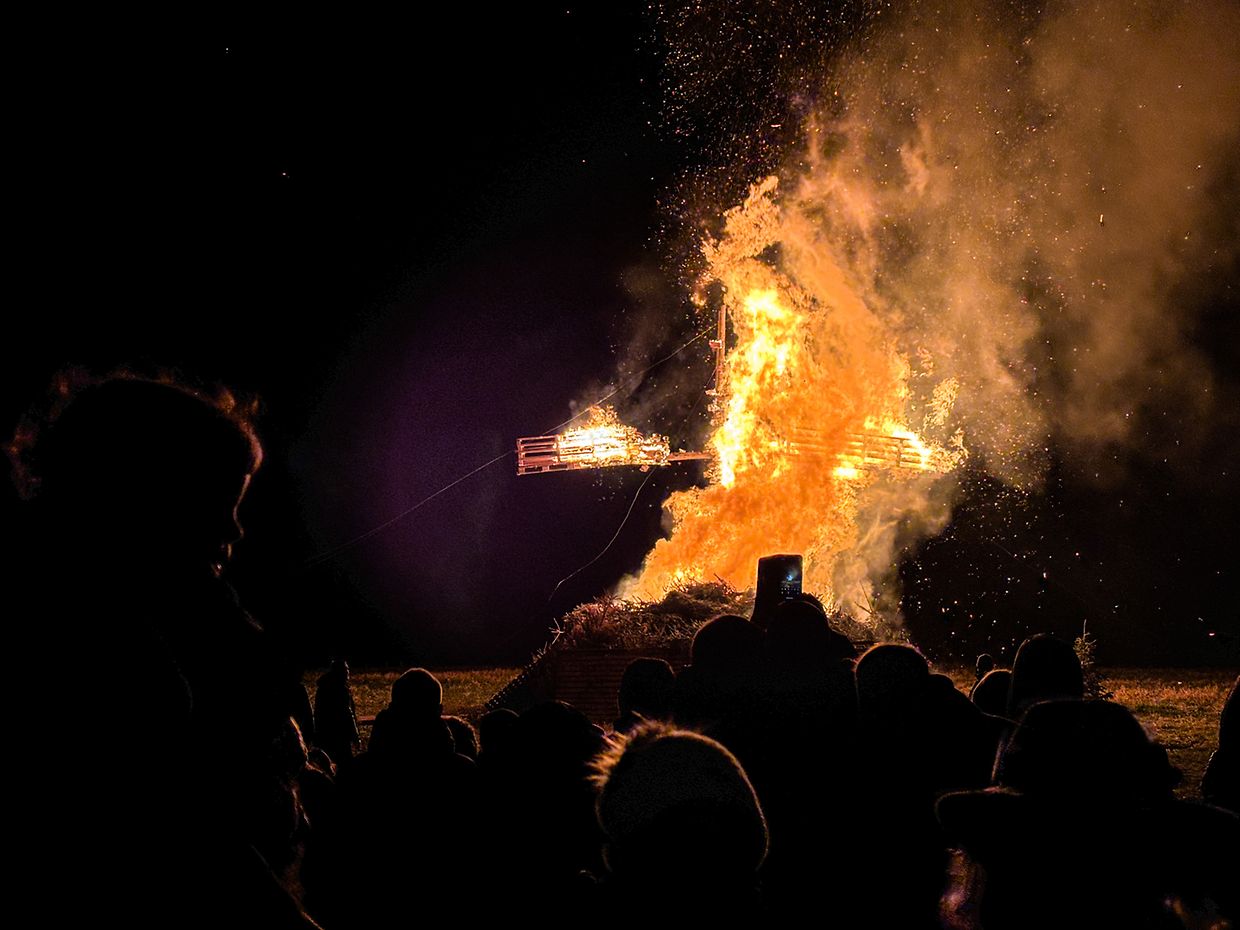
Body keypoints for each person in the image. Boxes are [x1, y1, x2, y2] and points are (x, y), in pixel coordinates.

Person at [7, 373, 316, 927]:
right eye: (220, 503)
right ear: (151, 500)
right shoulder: (108, 644)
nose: (235, 531)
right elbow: (183, 826)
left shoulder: (170, 616)